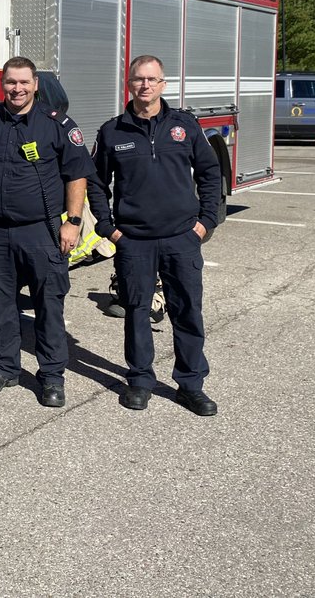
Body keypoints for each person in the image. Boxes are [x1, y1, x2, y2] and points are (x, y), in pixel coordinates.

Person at [87, 54, 222, 416]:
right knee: (136, 311)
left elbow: (210, 173)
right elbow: (96, 183)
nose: (144, 85)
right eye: (137, 80)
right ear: (128, 84)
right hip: (134, 241)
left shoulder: (184, 125)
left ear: (163, 84)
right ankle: (141, 380)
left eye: (151, 79)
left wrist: (207, 220)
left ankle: (191, 385)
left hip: (182, 237)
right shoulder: (112, 130)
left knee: (187, 311)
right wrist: (108, 228)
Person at [0, 57, 95, 407]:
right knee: (0, 304)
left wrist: (72, 222)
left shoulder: (56, 125)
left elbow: (76, 174)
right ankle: (4, 368)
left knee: (48, 304)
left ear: (36, 84)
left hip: (41, 230)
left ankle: (52, 376)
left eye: (24, 82)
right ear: (2, 84)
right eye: (11, 82)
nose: (17, 89)